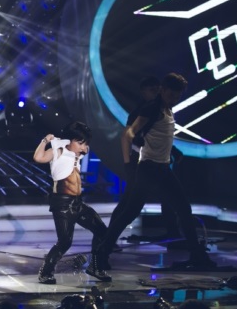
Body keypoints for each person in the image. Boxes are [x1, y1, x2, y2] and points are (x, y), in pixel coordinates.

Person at [95, 73, 216, 270]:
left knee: (183, 209)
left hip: (162, 168)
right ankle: (102, 253)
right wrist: (133, 144)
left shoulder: (167, 108)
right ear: (163, 90)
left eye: (177, 95)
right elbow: (129, 132)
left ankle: (197, 255)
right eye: (171, 94)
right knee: (130, 212)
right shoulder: (151, 108)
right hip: (149, 168)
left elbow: (162, 135)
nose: (174, 98)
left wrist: (173, 152)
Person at [33, 122, 112, 284]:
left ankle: (95, 267)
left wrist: (82, 147)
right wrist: (45, 140)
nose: (84, 147)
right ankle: (45, 272)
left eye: (85, 143)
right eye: (80, 143)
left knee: (102, 231)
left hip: (77, 203)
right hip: (62, 204)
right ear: (70, 140)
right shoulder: (58, 151)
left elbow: (83, 149)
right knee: (65, 242)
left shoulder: (78, 154)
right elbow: (38, 158)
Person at [110, 76, 179, 241]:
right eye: (152, 90)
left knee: (169, 198)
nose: (156, 93)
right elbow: (126, 136)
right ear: (143, 92)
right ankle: (106, 238)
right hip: (141, 161)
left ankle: (174, 232)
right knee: (129, 203)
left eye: (158, 89)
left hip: (158, 162)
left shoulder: (163, 108)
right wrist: (128, 164)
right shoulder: (141, 111)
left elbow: (160, 136)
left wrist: (173, 151)